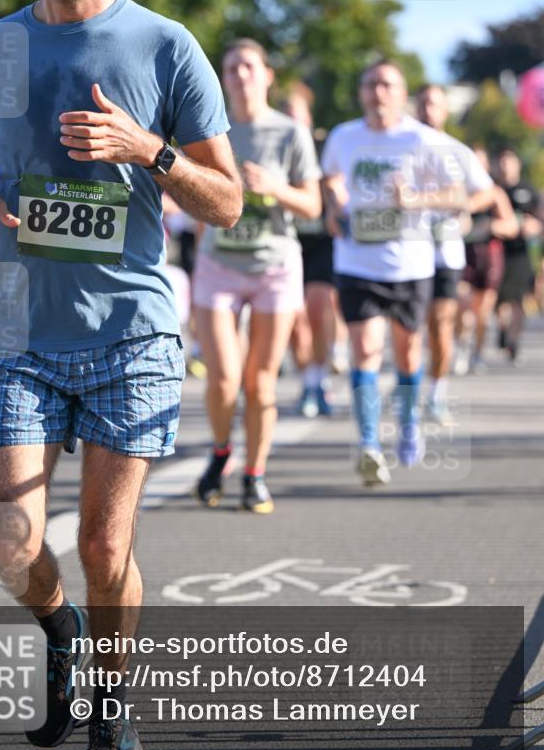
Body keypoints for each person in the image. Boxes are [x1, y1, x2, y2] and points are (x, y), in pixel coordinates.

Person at [0, 0, 242, 750]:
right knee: (8, 535)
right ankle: (63, 635)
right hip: (20, 326)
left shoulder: (165, 45)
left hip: (129, 332)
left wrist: (150, 150)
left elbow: (228, 203)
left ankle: (111, 698)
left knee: (105, 546)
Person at [322, 59, 465, 487]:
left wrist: (415, 199)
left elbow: (458, 194)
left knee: (407, 353)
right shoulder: (343, 136)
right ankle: (368, 443)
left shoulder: (423, 139)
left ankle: (407, 423)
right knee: (365, 348)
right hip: (356, 262)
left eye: (387, 84)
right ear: (361, 92)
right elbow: (330, 179)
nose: (378, 92)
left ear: (402, 94)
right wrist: (333, 203)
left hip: (410, 264)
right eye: (371, 84)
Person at [193, 40, 321, 513]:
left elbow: (313, 206)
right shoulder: (209, 128)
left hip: (274, 266)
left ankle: (255, 473)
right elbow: (196, 196)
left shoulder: (290, 133)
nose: (241, 74)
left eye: (249, 66)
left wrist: (276, 189)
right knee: (224, 379)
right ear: (223, 78)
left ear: (267, 75)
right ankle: (221, 450)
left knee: (260, 383)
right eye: (232, 68)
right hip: (218, 265)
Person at [414, 85, 494, 422]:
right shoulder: (398, 145)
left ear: (445, 110)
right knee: (409, 329)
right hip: (406, 254)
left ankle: (436, 393)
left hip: (445, 254)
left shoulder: (458, 152)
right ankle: (409, 386)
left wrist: (465, 206)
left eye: (434, 104)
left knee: (440, 325)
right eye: (423, 103)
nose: (428, 110)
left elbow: (487, 193)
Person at [280, 82, 347, 418]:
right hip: (287, 239)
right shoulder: (275, 147)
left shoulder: (322, 148)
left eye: (297, 116)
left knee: (319, 309)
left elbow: (338, 181)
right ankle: (308, 380)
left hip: (322, 240)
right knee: (295, 320)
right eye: (286, 116)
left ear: (308, 118)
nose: (292, 122)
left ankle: (321, 377)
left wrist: (336, 203)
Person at [454, 146, 518, 375]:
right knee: (462, 305)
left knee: (482, 311)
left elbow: (511, 226)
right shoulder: (457, 191)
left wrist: (489, 226)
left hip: (489, 257)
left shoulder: (495, 193)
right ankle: (461, 346)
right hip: (462, 255)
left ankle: (477, 352)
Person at [494, 147, 542, 362]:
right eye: (502, 161)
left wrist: (533, 226)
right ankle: (503, 329)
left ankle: (513, 341)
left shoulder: (528, 190)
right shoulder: (493, 189)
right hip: (495, 251)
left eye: (509, 161)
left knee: (517, 299)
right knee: (498, 300)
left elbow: (539, 220)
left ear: (517, 164)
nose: (505, 165)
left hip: (519, 253)